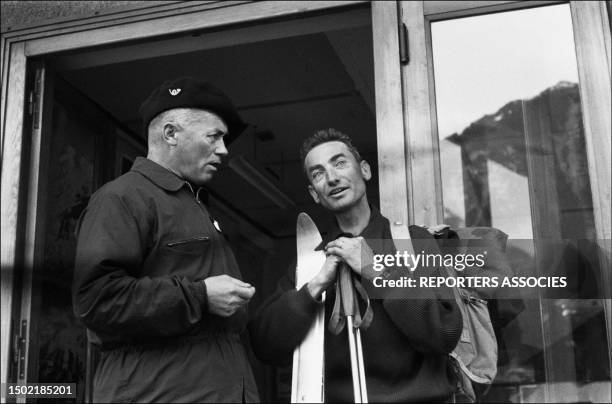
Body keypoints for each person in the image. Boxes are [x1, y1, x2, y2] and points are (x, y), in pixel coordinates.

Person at [72, 77, 259, 403]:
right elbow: (97, 300)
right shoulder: (122, 198)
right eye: (214, 136)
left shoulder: (195, 205)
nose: (224, 150)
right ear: (170, 134)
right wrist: (199, 296)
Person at [250, 128, 463, 402]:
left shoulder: (411, 241)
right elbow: (265, 346)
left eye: (340, 163)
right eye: (318, 173)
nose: (332, 178)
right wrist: (313, 288)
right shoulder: (312, 259)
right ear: (314, 194)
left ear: (364, 170)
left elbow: (443, 334)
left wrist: (376, 270)